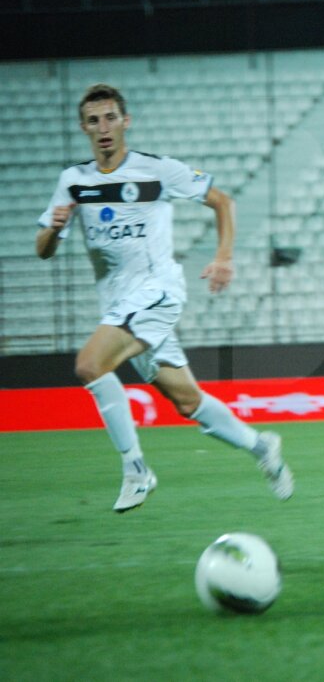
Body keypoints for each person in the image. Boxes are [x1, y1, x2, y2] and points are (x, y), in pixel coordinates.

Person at [36, 84, 294, 512]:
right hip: (119, 305)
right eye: (94, 120)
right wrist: (52, 227)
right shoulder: (73, 182)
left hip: (158, 292)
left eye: (111, 118)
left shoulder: (156, 170)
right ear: (83, 127)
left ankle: (136, 469)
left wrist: (224, 257)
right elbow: (44, 250)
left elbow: (222, 201)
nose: (103, 128)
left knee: (89, 364)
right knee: (187, 401)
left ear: (126, 122)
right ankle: (261, 447)